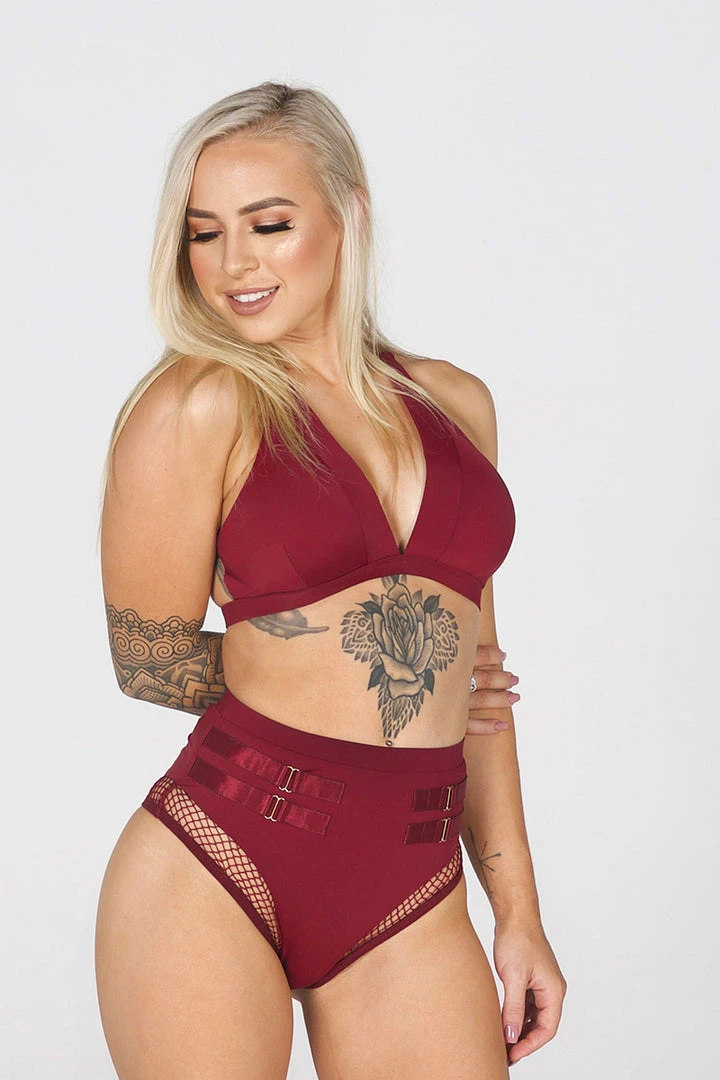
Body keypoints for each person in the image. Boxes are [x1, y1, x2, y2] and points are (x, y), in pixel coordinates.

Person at [94, 81, 566, 1079]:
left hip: (412, 882)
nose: (234, 263)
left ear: (348, 214)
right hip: (220, 860)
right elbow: (145, 662)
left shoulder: (458, 404)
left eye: (268, 225)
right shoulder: (197, 405)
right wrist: (317, 669)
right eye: (205, 233)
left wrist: (519, 914)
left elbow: (481, 689)